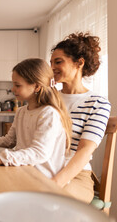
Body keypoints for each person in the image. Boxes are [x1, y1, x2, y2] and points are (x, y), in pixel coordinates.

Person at [0, 58, 72, 179]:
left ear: (37, 87)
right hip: (24, 172)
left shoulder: (49, 114)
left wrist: (0, 158)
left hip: (44, 180)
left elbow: (39, 153)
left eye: (17, 85)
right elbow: (9, 141)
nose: (12, 89)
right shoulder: (22, 111)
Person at [50, 32, 111, 203]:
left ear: (79, 63)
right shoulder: (50, 99)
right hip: (43, 168)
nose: (52, 67)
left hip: (76, 175)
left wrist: (55, 183)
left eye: (58, 61)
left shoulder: (98, 104)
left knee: (51, 201)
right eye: (51, 63)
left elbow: (84, 151)